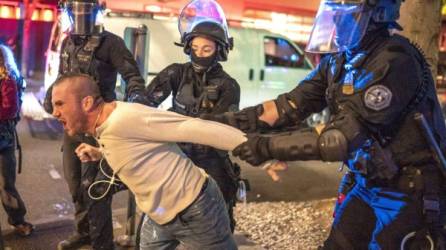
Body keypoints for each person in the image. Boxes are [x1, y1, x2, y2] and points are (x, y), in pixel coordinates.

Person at [207, 0, 446, 249]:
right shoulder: (340, 60)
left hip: (407, 190)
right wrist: (225, 123)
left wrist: (265, 147)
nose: (336, 23)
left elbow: (340, 139)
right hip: (367, 182)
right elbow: (288, 105)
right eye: (334, 15)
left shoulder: (395, 61)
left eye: (347, 16)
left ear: (378, 15)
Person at [50, 73, 286, 250]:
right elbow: (131, 146)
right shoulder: (105, 124)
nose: (54, 112)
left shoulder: (128, 117)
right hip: (159, 215)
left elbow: (194, 127)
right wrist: (99, 152)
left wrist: (260, 155)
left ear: (87, 102)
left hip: (196, 210)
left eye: (60, 104)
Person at [43, 1, 149, 249]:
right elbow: (62, 77)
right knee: (75, 184)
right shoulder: (69, 41)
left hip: (97, 125)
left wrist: (136, 100)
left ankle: (102, 242)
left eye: (86, 9)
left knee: (94, 188)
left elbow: (132, 76)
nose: (81, 14)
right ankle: (84, 232)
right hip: (72, 127)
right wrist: (51, 100)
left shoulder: (110, 42)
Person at [145, 0, 241, 232]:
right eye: (195, 49)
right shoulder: (176, 72)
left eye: (206, 50)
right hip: (175, 153)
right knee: (159, 213)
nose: (199, 55)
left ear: (219, 50)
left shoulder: (229, 86)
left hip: (210, 157)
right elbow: (147, 103)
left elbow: (220, 127)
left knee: (219, 212)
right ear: (188, 48)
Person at [0, 44, 33, 236]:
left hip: (3, 139)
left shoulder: (8, 80)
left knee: (6, 185)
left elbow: (8, 110)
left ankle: (18, 220)